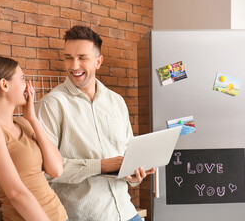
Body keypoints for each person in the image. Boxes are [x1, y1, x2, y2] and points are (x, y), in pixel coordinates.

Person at [35, 25, 155, 221]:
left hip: (125, 210)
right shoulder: (52, 104)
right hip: (86, 215)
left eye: (82, 58)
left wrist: (135, 176)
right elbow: (45, 170)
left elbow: (126, 152)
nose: (74, 66)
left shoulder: (116, 101)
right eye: (68, 57)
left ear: (98, 61)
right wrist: (100, 166)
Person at [0, 56, 68, 221]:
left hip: (59, 215)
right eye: (23, 78)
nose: (27, 85)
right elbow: (15, 193)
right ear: (4, 84)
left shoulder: (24, 122)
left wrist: (33, 119)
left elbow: (56, 169)